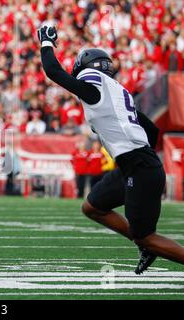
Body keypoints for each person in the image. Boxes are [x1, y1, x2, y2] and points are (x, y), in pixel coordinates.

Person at [38, 25, 184, 274]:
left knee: (146, 236)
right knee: (93, 207)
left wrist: (46, 42)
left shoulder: (94, 89)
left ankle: (145, 244)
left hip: (139, 167)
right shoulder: (116, 93)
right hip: (135, 166)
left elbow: (53, 70)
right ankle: (144, 244)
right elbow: (152, 131)